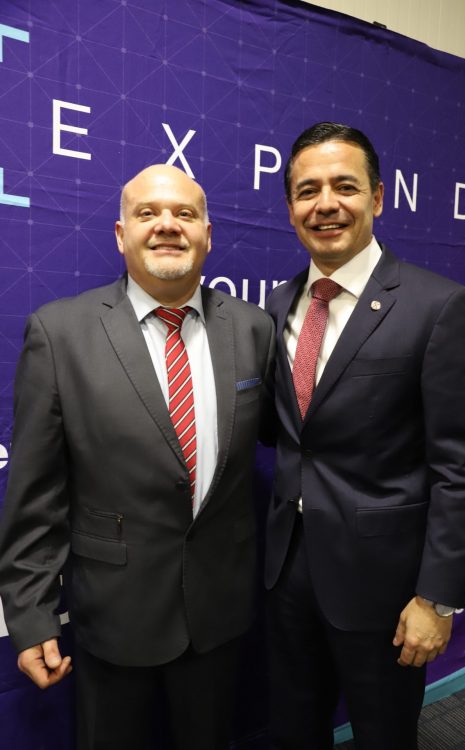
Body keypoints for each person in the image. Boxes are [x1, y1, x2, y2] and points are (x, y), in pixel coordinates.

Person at [0, 164, 275, 750]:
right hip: (113, 614)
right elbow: (35, 494)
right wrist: (30, 613)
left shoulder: (255, 329)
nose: (167, 225)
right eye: (148, 213)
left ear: (207, 234)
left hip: (220, 613)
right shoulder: (59, 333)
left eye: (185, 214)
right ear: (122, 234)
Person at [264, 122, 465, 750]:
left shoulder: (437, 306)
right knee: (292, 729)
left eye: (345, 186)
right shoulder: (278, 306)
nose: (326, 204)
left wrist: (436, 599)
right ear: (290, 208)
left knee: (384, 734)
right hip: (287, 572)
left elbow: (462, 469)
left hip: (385, 586)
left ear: (379, 197)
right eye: (308, 191)